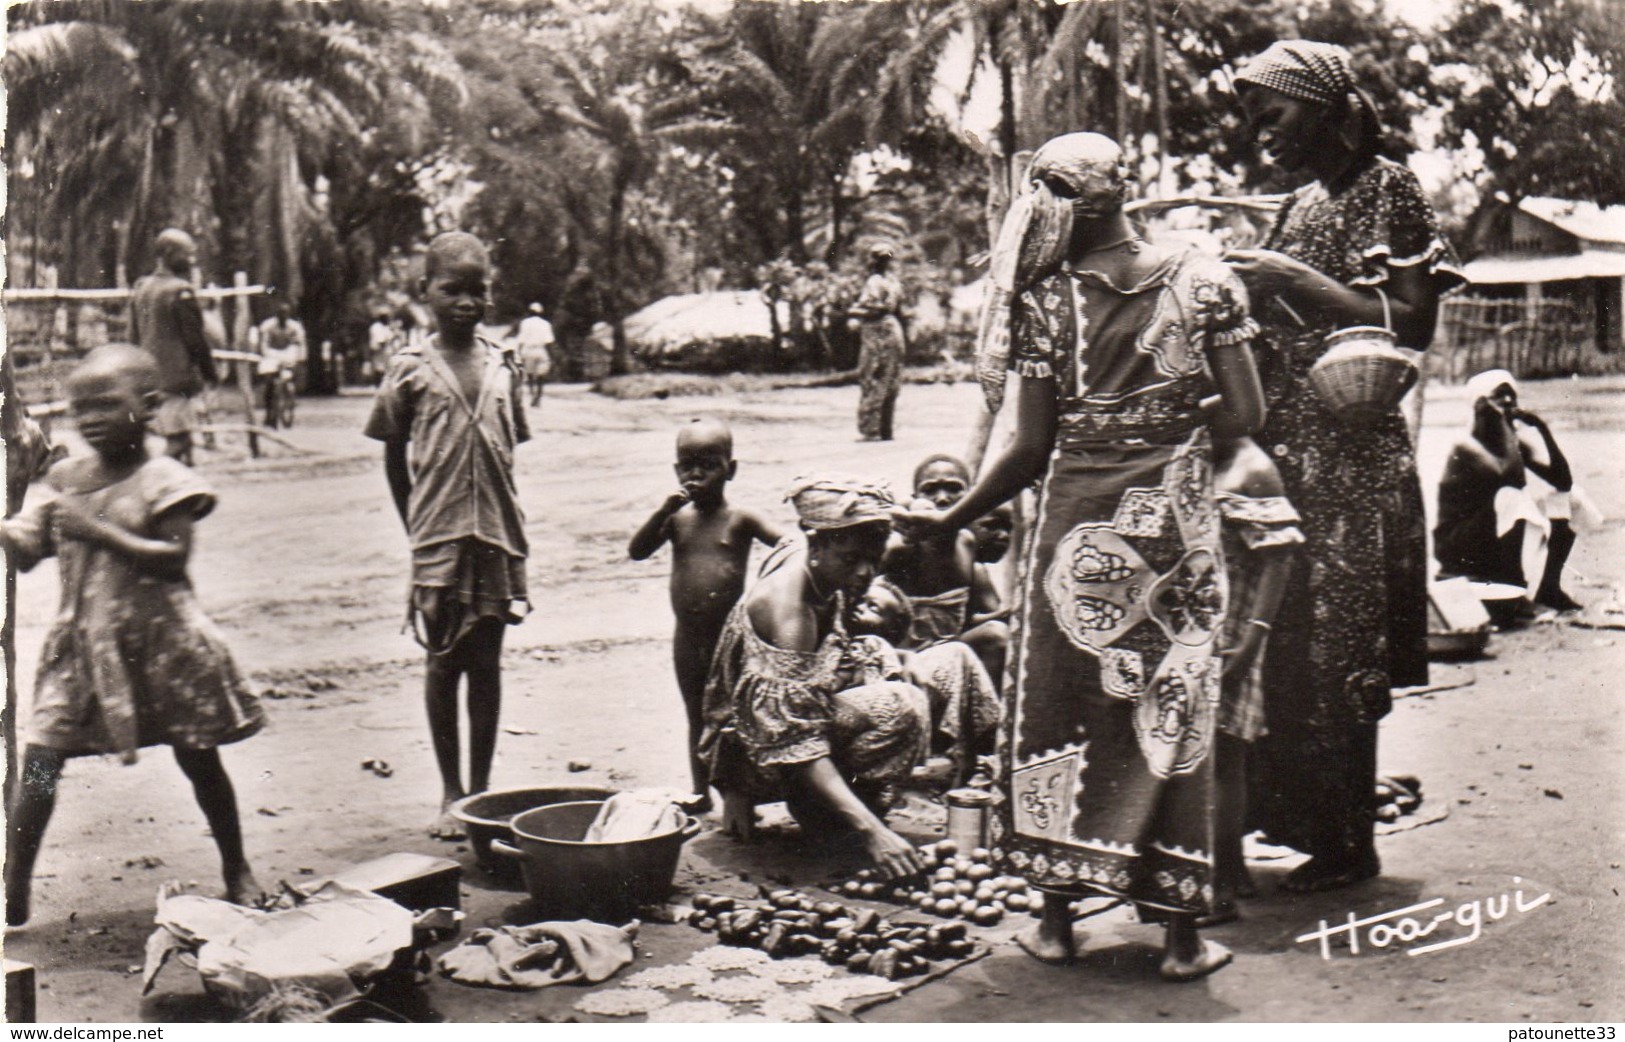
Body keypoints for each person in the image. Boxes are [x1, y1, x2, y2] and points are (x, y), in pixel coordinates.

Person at [897, 132, 1264, 979]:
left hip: (1075, 539)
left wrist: (951, 514)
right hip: (1171, 532)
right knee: (1169, 715)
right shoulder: (1205, 280)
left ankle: (1059, 922)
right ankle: (1178, 939)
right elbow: (1242, 413)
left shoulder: (1042, 300)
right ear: (1121, 193)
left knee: (1058, 712)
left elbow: (1024, 447)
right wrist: (1169, 428)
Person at [1225, 40, 1465, 891]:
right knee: (1285, 643)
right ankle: (1298, 822)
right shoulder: (1294, 205)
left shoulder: (1388, 187)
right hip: (1287, 456)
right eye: (1253, 121)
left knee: (1339, 648)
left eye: (1275, 115)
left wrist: (1291, 276)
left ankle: (1345, 841)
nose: (1262, 134)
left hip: (1352, 458)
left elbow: (1410, 322)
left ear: (1325, 108)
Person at [2, 345, 265, 927]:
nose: (90, 418)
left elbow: (174, 558)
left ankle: (237, 869)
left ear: (148, 407)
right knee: (42, 759)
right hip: (81, 651)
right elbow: (28, 552)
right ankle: (13, 886)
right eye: (79, 408)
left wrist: (96, 530)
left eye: (105, 404)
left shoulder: (165, 479)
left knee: (199, 756)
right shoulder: (66, 479)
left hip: (165, 646)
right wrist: (12, 522)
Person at [364, 232, 531, 840]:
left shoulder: (503, 366)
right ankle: (450, 789)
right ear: (424, 293)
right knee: (442, 662)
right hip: (436, 539)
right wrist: (417, 527)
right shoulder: (409, 368)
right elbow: (393, 456)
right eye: (451, 289)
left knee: (486, 664)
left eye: (478, 289)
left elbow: (510, 450)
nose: (466, 301)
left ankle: (482, 792)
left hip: (495, 536)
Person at [698, 477, 929, 881]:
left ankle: (832, 810)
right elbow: (793, 740)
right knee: (900, 707)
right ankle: (833, 818)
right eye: (851, 559)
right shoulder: (790, 613)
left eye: (874, 560)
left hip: (777, 722)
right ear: (817, 545)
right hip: (758, 747)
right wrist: (872, 831)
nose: (865, 573)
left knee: (900, 676)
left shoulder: (810, 553)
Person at [628, 418, 785, 810]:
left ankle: (740, 796)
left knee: (735, 715)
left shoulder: (740, 518)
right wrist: (664, 508)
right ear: (676, 469)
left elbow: (787, 543)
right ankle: (701, 792)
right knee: (696, 713)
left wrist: (770, 591)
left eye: (709, 464)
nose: (696, 473)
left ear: (731, 470)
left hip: (729, 638)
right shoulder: (677, 519)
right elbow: (637, 550)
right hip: (688, 636)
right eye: (687, 464)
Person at [1210, 435, 1302, 923]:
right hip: (1197, 629)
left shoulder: (1251, 468)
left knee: (1224, 753)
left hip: (1232, 631)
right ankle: (1225, 871)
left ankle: (1223, 882)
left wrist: (1251, 641)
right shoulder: (1203, 454)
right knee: (1203, 758)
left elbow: (1279, 556)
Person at [1435, 369, 1581, 624]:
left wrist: (1542, 429)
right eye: (1499, 396)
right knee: (1512, 497)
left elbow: (1563, 481)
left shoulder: (1509, 443)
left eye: (1512, 396)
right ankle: (1514, 589)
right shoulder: (1466, 444)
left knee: (1570, 499)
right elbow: (1511, 477)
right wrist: (1507, 428)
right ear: (1480, 405)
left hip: (1489, 527)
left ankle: (1549, 587)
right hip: (1457, 539)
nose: (1508, 403)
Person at [847, 577, 999, 784]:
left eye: (872, 607)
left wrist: (901, 656)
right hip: (857, 723)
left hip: (889, 712)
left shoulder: (881, 647)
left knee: (957, 652)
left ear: (892, 628)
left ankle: (987, 752)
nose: (860, 607)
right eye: (861, 601)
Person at [882, 453, 1009, 686]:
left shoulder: (967, 543)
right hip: (907, 659)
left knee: (997, 634)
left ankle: (992, 719)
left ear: (971, 495)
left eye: (953, 488)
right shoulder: (902, 548)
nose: (942, 498)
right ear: (915, 498)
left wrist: (1006, 615)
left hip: (952, 649)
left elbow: (964, 619)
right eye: (930, 490)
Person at [129, 229, 217, 464]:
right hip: (176, 378)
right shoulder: (180, 291)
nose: (191, 260)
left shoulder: (142, 288)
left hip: (149, 377)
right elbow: (195, 340)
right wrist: (210, 373)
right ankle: (152, 484)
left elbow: (133, 335)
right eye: (186, 254)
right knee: (179, 441)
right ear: (167, 253)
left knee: (181, 443)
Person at [850, 243, 907, 441]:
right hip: (893, 329)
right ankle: (885, 428)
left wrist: (851, 311)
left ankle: (870, 428)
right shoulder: (894, 282)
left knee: (871, 376)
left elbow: (875, 309)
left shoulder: (874, 281)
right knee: (889, 378)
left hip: (877, 330)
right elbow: (899, 310)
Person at [255, 301, 307, 411]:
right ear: (276, 314)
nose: (283, 316)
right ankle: (269, 405)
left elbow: (300, 343)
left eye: (285, 313)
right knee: (269, 378)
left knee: (291, 371)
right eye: (281, 313)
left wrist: (301, 358)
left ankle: (289, 395)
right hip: (272, 353)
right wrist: (266, 354)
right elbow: (264, 344)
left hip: (287, 353)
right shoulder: (268, 326)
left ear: (288, 314)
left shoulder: (295, 327)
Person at [516, 303, 557, 408]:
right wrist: (552, 355)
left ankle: (532, 394)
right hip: (540, 350)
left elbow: (521, 340)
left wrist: (519, 353)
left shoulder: (524, 323)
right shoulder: (545, 324)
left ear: (530, 312)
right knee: (541, 376)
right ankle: (538, 397)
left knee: (529, 375)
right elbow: (549, 341)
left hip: (528, 350)